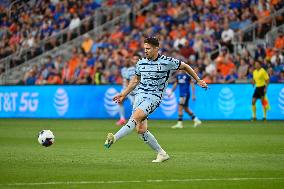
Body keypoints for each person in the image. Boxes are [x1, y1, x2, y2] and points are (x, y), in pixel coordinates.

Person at [104, 37, 208, 163]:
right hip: (139, 96)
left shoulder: (167, 61)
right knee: (141, 130)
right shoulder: (141, 63)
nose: (145, 51)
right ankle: (162, 153)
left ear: (156, 49)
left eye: (148, 49)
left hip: (154, 97)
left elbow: (185, 67)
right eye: (144, 49)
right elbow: (135, 80)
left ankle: (114, 138)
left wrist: (198, 80)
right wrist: (123, 94)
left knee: (135, 118)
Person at [116, 53, 141, 125]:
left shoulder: (142, 69)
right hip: (128, 90)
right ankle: (122, 119)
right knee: (120, 101)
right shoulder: (127, 69)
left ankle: (138, 122)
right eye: (134, 59)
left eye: (137, 59)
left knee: (136, 107)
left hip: (136, 92)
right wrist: (127, 90)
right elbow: (126, 80)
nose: (135, 61)